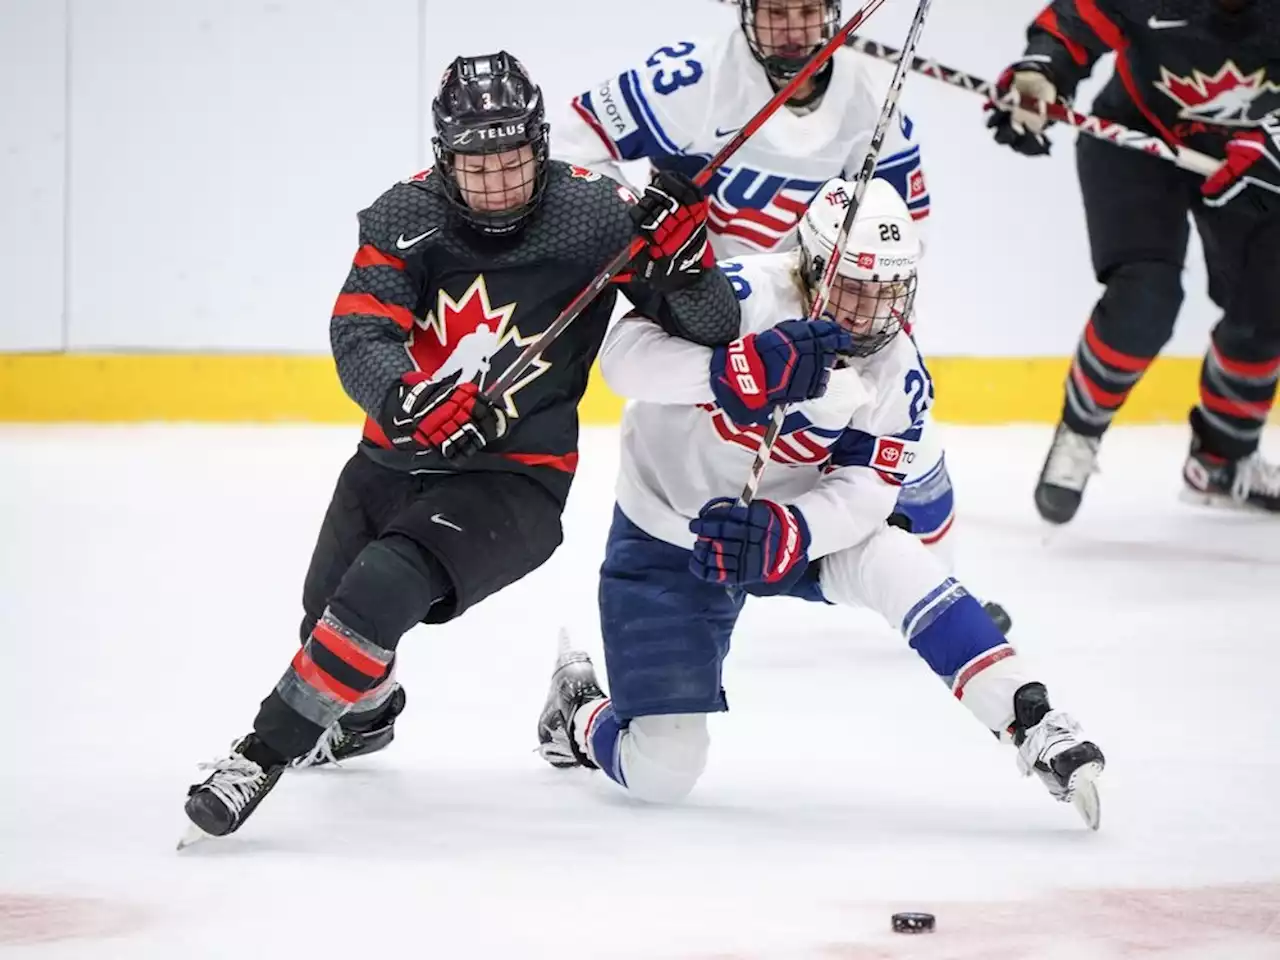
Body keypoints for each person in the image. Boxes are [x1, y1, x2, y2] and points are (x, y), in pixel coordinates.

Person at [180, 51, 741, 842]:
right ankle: (367, 715)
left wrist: (688, 265)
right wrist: (404, 398)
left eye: (515, 162)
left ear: (541, 145)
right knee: (332, 626)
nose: (500, 185)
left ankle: (258, 754)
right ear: (445, 158)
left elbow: (713, 329)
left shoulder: (598, 217)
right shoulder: (401, 217)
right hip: (391, 460)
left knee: (376, 591)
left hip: (514, 480)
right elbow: (359, 329)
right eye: (478, 167)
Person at [535, 178, 1106, 828]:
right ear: (809, 265)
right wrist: (733, 372)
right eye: (854, 288)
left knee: (895, 557)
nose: (869, 315)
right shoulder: (748, 292)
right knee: (662, 773)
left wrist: (792, 531)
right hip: (668, 530)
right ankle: (578, 711)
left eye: (888, 292)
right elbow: (623, 363)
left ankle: (1031, 719)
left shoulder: (898, 372)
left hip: (789, 535)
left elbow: (868, 489)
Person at [560, 0, 1007, 621]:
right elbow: (578, 140)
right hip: (721, 316)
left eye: (808, 11)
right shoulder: (688, 82)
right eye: (775, 12)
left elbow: (910, 232)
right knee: (683, 446)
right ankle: (675, 581)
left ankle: (937, 588)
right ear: (742, 12)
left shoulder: (873, 99)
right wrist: (644, 219)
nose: (794, 33)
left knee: (914, 447)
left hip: (830, 312)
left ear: (835, 12)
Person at [987, 0, 1280, 521]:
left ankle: (1221, 460)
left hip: (1256, 164)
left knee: (1270, 303)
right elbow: (1072, 24)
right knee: (1144, 298)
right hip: (1137, 140)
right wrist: (1041, 72)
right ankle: (1079, 431)